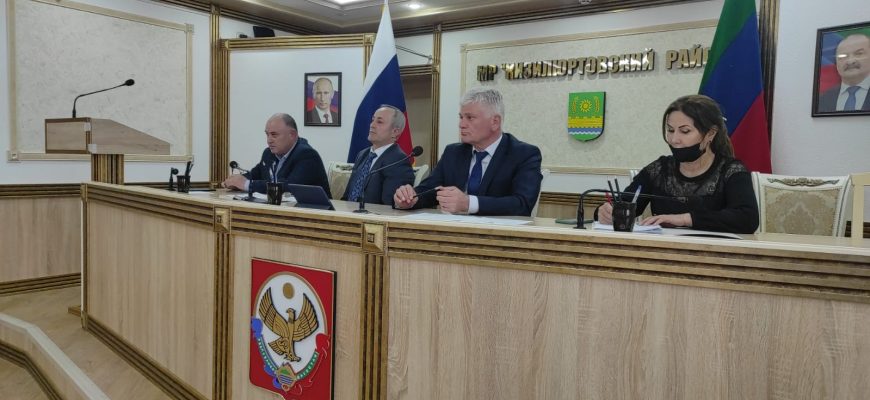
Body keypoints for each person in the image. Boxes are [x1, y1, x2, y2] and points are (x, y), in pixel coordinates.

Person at [596, 95, 759, 234]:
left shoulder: (731, 170)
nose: (674, 140)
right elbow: (624, 203)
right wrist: (604, 213)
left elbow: (747, 219)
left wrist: (685, 219)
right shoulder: (659, 169)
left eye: (685, 131)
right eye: (670, 130)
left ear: (710, 133)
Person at [393, 88, 542, 216]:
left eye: (470, 118)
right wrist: (410, 198)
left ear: (495, 122)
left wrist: (468, 203)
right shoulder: (453, 152)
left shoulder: (524, 154)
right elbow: (430, 191)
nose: (461, 124)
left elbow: (522, 204)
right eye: (461, 117)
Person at [222, 113, 331, 197]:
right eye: (267, 134)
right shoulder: (268, 153)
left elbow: (287, 187)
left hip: (315, 215)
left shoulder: (307, 155)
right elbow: (255, 174)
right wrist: (236, 181)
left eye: (274, 135)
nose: (269, 140)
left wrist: (247, 185)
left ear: (292, 135)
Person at [342, 105, 415, 206]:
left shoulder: (399, 161)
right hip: (347, 212)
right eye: (373, 120)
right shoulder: (363, 154)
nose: (372, 125)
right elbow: (347, 196)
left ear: (395, 132)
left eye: (379, 122)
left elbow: (389, 205)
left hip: (371, 215)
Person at [818, 33, 870, 112]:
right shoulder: (823, 99)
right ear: (836, 63)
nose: (850, 61)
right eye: (842, 56)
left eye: (859, 54)